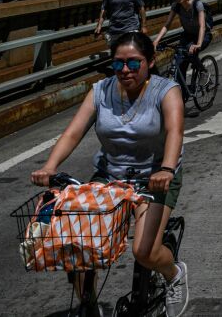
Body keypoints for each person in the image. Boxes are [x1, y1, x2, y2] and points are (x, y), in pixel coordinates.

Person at [31, 32, 189, 316]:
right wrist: (49, 166)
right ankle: (87, 301)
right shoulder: (100, 90)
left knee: (144, 251)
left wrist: (166, 169)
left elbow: (176, 131)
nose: (125, 71)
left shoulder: (166, 90)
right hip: (110, 176)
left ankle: (174, 273)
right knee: (78, 244)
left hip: (154, 175)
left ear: (150, 61)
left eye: (133, 63)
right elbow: (73, 132)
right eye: (118, 64)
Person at [153, 0, 212, 91]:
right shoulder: (176, 6)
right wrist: (156, 41)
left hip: (203, 35)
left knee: (191, 53)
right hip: (188, 35)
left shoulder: (197, 4)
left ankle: (203, 71)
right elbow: (167, 25)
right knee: (180, 64)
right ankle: (183, 93)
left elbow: (202, 26)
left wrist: (198, 44)